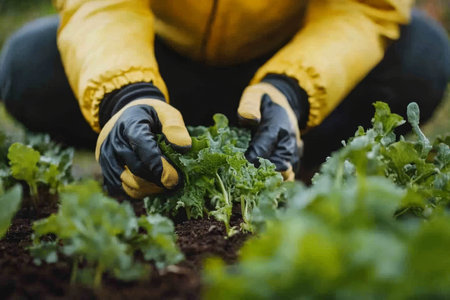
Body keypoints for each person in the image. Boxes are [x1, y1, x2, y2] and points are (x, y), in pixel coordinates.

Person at [0, 1, 449, 198]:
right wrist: (126, 92)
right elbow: (102, 4)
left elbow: (362, 6)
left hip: (287, 56)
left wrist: (292, 89)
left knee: (422, 57)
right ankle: (152, 131)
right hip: (163, 59)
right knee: (27, 67)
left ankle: (287, 131)